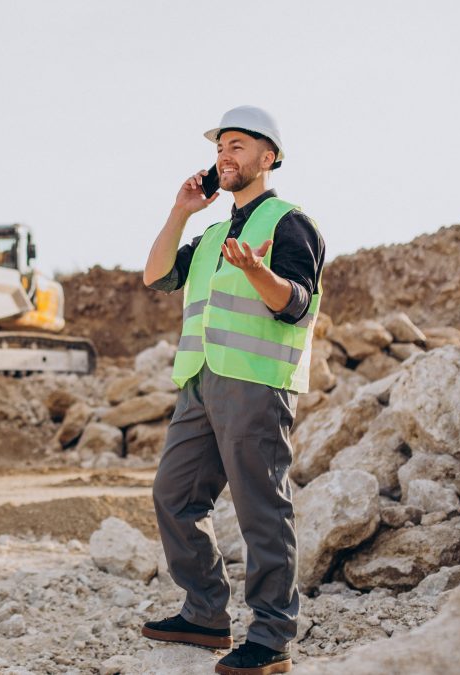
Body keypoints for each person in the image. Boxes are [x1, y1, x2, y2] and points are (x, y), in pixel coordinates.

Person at [140, 106, 325, 675]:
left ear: (268, 158)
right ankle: (205, 615)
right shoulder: (212, 231)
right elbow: (156, 276)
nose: (226, 154)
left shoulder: (291, 224)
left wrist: (256, 272)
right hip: (200, 381)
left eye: (239, 145)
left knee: (261, 509)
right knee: (174, 497)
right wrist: (181, 210)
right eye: (221, 146)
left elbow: (293, 304)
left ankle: (272, 638)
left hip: (256, 384)